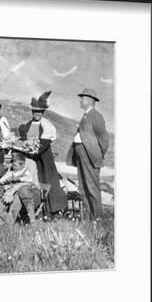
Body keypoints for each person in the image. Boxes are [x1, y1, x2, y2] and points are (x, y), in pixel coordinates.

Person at [18, 91, 67, 215]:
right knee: (34, 182)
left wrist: (34, 150)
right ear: (32, 112)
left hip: (44, 158)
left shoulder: (47, 125)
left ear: (43, 112)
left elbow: (44, 143)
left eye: (40, 112)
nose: (37, 114)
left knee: (49, 182)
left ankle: (54, 211)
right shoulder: (28, 125)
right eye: (35, 111)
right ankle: (36, 210)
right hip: (31, 157)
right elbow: (23, 140)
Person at [66, 87, 109, 222]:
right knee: (83, 187)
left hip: (89, 155)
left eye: (83, 98)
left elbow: (103, 139)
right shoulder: (85, 116)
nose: (80, 100)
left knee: (91, 186)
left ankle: (97, 219)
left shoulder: (96, 116)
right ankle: (88, 218)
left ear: (90, 100)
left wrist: (97, 154)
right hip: (81, 153)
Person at [0, 152, 41, 226]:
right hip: (12, 191)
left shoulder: (26, 170)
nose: (13, 167)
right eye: (13, 165)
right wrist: (7, 180)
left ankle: (9, 222)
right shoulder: (12, 171)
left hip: (24, 192)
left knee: (16, 202)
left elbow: (29, 181)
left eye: (15, 165)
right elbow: (2, 180)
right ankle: (1, 222)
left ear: (22, 165)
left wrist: (19, 179)